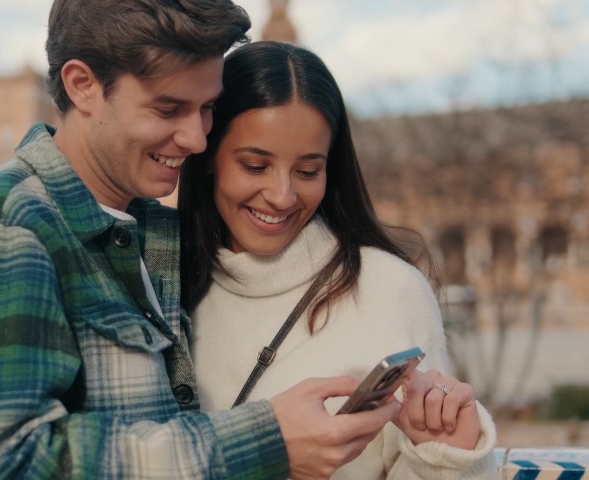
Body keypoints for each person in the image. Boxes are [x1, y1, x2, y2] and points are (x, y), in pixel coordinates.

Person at [0, 3, 402, 479]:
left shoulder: (139, 228)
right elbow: (0, 467)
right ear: (83, 85)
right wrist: (265, 439)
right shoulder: (1, 233)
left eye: (206, 108)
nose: (197, 138)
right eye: (168, 109)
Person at [179, 41, 498, 479]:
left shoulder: (390, 289)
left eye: (308, 171)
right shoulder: (159, 282)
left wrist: (445, 455)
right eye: (255, 166)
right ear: (208, 155)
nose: (282, 196)